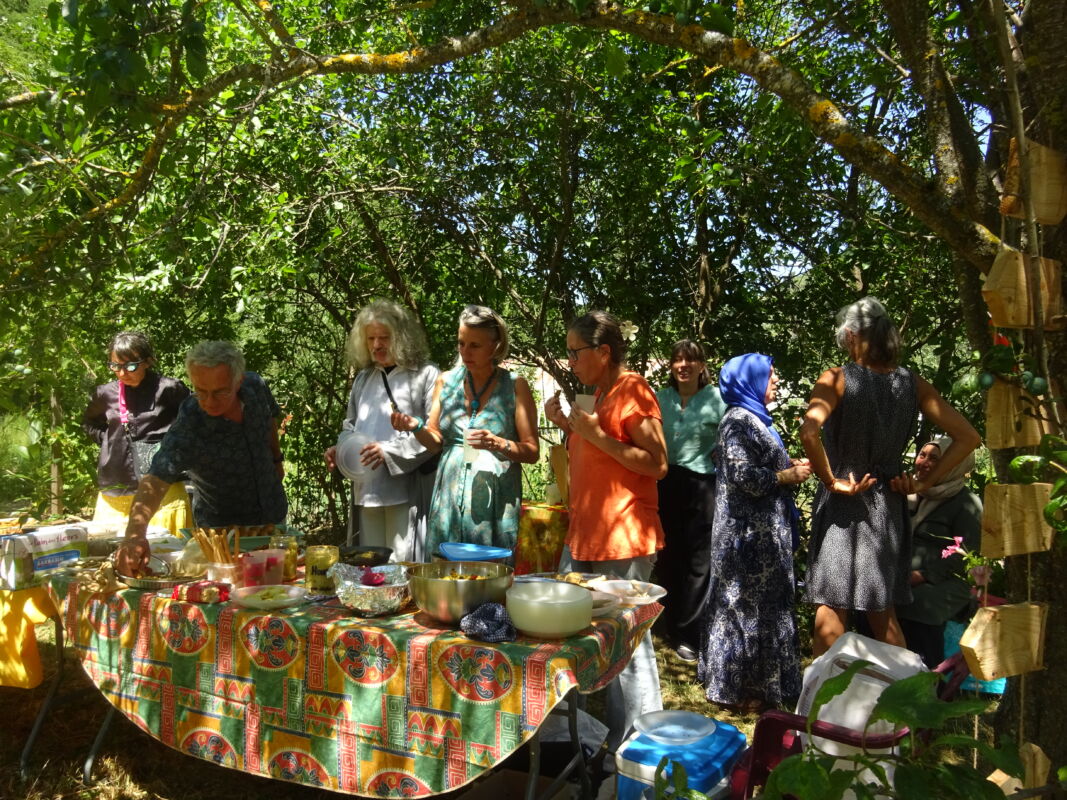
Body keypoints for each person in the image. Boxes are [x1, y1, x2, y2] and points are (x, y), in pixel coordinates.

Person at [800, 297, 981, 656]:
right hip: (886, 505)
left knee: (832, 605)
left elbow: (808, 432)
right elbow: (968, 437)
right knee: (882, 611)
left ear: (852, 336)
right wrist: (923, 483)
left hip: (844, 501)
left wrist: (831, 481)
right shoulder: (912, 384)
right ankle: (901, 688)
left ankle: (822, 691)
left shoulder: (836, 378)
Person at [543, 310, 667, 748]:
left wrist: (594, 435)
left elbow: (658, 463)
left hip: (623, 538)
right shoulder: (596, 394)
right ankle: (576, 742)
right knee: (568, 630)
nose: (570, 362)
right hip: (586, 534)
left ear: (603, 351)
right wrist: (568, 426)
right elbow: (597, 453)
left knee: (627, 647)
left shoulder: (633, 390)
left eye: (575, 353)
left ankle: (638, 747)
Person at [698, 354, 811, 712]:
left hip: (762, 536)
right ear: (751, 381)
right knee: (744, 609)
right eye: (770, 375)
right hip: (745, 538)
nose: (775, 380)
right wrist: (784, 476)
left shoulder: (756, 419)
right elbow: (743, 476)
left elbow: (756, 464)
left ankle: (764, 687)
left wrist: (787, 465)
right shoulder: (737, 421)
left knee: (765, 609)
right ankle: (740, 688)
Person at [115, 341, 288, 576]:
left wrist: (277, 459)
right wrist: (134, 535)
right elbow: (156, 477)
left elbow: (269, 420)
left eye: (220, 392)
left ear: (238, 381)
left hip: (273, 515)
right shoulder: (191, 422)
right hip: (222, 538)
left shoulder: (255, 386)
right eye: (201, 391)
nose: (209, 401)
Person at [391, 305, 539, 556]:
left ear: (495, 346)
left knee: (489, 571)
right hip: (449, 499)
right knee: (445, 569)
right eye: (461, 343)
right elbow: (435, 442)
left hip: (495, 502)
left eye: (475, 345)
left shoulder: (515, 386)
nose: (465, 352)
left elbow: (532, 451)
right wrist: (416, 427)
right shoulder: (446, 381)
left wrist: (498, 443)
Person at [324, 300, 440, 562]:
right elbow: (350, 426)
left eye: (384, 338)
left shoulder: (426, 374)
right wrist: (340, 451)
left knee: (402, 566)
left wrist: (387, 452)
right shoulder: (364, 378)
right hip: (367, 489)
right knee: (370, 566)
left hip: (406, 490)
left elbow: (435, 435)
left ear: (402, 337)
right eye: (371, 338)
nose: (376, 345)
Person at [654, 339, 726, 663]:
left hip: (702, 485)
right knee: (668, 557)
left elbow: (730, 440)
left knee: (699, 562)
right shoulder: (661, 398)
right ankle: (668, 623)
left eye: (690, 360)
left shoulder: (717, 399)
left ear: (701, 365)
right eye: (677, 360)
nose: (683, 366)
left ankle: (689, 634)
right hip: (665, 483)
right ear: (671, 366)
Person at [82, 331, 192, 535]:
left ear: (147, 361)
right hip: (116, 484)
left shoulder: (169, 389)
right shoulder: (104, 394)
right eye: (115, 366)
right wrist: (109, 442)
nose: (123, 373)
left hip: (162, 484)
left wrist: (174, 448)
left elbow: (193, 421)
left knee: (166, 546)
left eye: (130, 366)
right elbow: (90, 423)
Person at [895, 437, 982, 668]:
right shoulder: (907, 493)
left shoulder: (965, 503)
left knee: (919, 604)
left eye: (934, 459)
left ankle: (929, 678)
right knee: (871, 600)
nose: (923, 462)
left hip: (946, 580)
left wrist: (923, 575)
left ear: (953, 464)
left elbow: (967, 553)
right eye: (922, 455)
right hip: (903, 575)